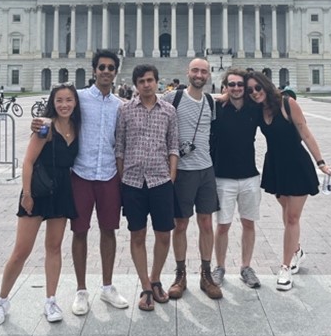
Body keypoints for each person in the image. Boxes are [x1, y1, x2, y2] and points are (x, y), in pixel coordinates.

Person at [32, 49, 128, 316]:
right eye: (102, 67)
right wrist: (40, 124)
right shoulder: (80, 99)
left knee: (109, 231)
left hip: (109, 174)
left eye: (110, 68)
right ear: (94, 70)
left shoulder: (121, 105)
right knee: (80, 232)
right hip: (81, 174)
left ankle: (107, 287)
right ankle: (81, 290)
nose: (106, 72)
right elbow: (56, 112)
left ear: (115, 72)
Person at [0, 83, 81, 326]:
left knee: (54, 247)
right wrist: (27, 194)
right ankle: (1, 300)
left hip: (62, 190)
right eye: (59, 100)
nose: (64, 105)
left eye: (69, 100)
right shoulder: (45, 127)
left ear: (75, 103)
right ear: (53, 102)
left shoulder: (77, 126)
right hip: (38, 190)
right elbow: (28, 161)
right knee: (21, 251)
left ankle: (50, 300)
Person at [246, 71, 331, 292]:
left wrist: (321, 163)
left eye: (258, 88)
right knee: (287, 212)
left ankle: (285, 267)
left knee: (293, 217)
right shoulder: (258, 109)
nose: (254, 93)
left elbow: (305, 133)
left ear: (266, 86)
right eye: (250, 90)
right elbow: (229, 98)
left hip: (296, 164)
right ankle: (296, 251)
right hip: (275, 165)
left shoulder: (288, 103)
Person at [115, 65, 179, 311]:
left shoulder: (169, 111)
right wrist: (123, 177)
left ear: (157, 82)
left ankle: (155, 279)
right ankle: (145, 287)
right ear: (135, 84)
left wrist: (171, 175)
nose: (146, 85)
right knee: (137, 234)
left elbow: (173, 145)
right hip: (132, 182)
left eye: (150, 80)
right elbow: (119, 146)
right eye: (141, 81)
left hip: (160, 180)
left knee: (164, 234)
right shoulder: (125, 111)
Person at [162, 58, 222, 300]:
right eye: (195, 70)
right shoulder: (171, 99)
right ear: (188, 73)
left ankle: (206, 273)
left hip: (206, 170)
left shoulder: (210, 102)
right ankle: (180, 274)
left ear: (208, 75)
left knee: (207, 223)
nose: (199, 74)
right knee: (181, 225)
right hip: (182, 171)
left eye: (204, 71)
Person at [211, 69, 262, 289]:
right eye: (231, 85)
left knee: (249, 223)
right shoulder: (217, 108)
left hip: (250, 175)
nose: (236, 88)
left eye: (240, 85)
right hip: (223, 177)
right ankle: (220, 266)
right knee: (223, 225)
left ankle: (246, 267)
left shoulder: (254, 108)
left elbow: (274, 101)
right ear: (225, 87)